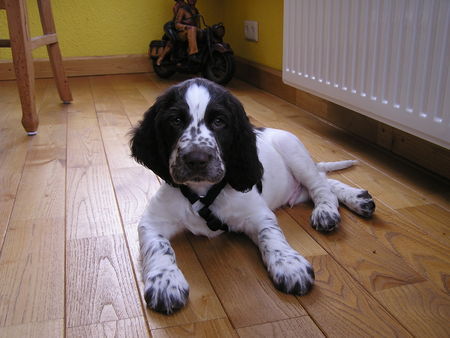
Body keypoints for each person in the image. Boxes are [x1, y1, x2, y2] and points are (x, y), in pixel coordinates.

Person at [156, 0, 186, 66]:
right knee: (174, 40)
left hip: (183, 27)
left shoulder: (186, 5)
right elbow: (177, 19)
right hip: (173, 27)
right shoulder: (176, 6)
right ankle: (162, 58)